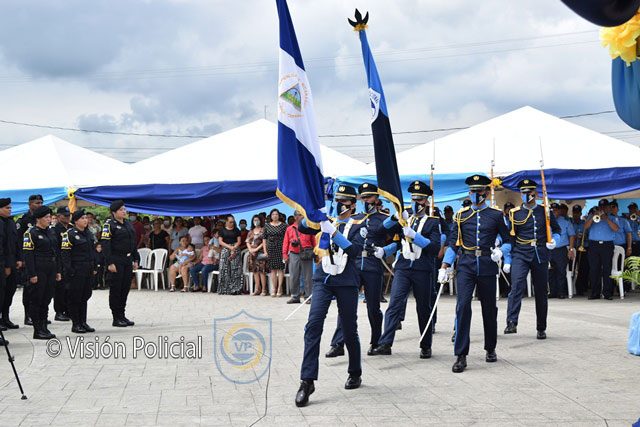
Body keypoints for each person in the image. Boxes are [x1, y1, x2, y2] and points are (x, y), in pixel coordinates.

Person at [295, 185, 363, 407]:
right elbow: (303, 227)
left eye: (345, 201)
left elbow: (354, 250)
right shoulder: (327, 219)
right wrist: (313, 213)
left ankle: (355, 371)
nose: (340, 204)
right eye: (338, 200)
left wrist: (333, 232)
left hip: (347, 280)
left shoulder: (360, 223)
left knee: (349, 329)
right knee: (313, 325)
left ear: (353, 204)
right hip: (323, 279)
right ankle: (307, 380)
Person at [440, 175, 512, 373]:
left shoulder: (495, 215)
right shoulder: (461, 215)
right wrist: (445, 265)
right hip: (466, 264)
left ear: (486, 193)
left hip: (487, 264)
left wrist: (501, 252)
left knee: (489, 308)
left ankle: (490, 347)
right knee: (463, 307)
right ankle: (461, 354)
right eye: (472, 191)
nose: (475, 194)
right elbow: (454, 243)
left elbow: (508, 240)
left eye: (479, 191)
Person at [370, 181, 442, 359]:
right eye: (413, 199)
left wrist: (415, 236)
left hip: (422, 269)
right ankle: (386, 343)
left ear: (426, 201)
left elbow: (434, 248)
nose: (416, 202)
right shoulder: (405, 219)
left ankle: (426, 345)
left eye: (419, 199)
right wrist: (394, 218)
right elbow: (384, 232)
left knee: (423, 308)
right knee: (394, 304)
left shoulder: (433, 222)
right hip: (403, 267)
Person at [326, 183, 388, 357]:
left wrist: (385, 250)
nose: (366, 200)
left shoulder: (384, 218)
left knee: (373, 308)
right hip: (354, 264)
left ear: (377, 198)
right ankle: (338, 343)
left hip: (372, 264)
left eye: (369, 197)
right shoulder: (355, 218)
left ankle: (376, 341)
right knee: (346, 306)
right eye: (363, 197)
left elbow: (398, 241)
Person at [504, 179, 561, 340]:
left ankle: (541, 327)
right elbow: (510, 238)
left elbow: (557, 230)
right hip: (521, 253)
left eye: (529, 192)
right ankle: (511, 321)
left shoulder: (545, 211)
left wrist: (554, 240)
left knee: (541, 291)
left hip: (540, 253)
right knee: (516, 286)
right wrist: (506, 257)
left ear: (535, 193)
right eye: (523, 192)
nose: (526, 195)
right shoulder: (514, 213)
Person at [101, 200, 140, 327]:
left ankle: (122, 314)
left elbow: (133, 242)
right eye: (121, 210)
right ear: (114, 212)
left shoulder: (128, 223)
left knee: (125, 288)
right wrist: (110, 262)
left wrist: (136, 259)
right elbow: (105, 245)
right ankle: (116, 317)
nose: (124, 211)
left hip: (127, 259)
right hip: (116, 260)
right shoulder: (109, 225)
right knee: (116, 289)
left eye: (124, 209)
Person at [23, 206, 60, 340]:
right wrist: (32, 274)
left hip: (51, 268)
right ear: (38, 218)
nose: (49, 219)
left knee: (46, 299)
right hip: (38, 268)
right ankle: (37, 330)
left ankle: (44, 327)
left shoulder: (50, 232)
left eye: (50, 217)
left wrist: (58, 270)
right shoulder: (30, 233)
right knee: (37, 300)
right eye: (46, 217)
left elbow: (56, 252)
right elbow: (28, 255)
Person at [61, 210, 97, 334]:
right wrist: (70, 270)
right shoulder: (69, 234)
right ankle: (76, 323)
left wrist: (94, 267)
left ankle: (83, 322)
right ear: (76, 221)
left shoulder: (88, 233)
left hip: (87, 269)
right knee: (75, 297)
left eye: (86, 218)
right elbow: (65, 255)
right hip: (76, 270)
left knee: (85, 296)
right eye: (82, 218)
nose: (85, 220)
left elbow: (92, 251)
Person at [584, 199, 619, 300]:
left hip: (607, 245)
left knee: (607, 269)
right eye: (601, 206)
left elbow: (616, 228)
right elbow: (585, 227)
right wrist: (593, 217)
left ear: (608, 207)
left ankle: (607, 293)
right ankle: (595, 293)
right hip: (594, 245)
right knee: (594, 269)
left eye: (605, 206)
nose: (603, 208)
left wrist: (606, 219)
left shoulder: (612, 218)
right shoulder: (593, 216)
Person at [17, 194, 43, 326]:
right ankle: (28, 315)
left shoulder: (43, 219)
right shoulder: (23, 220)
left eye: (41, 203)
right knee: (29, 289)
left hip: (41, 260)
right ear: (30, 204)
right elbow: (18, 241)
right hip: (28, 259)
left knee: (41, 289)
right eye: (37, 203)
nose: (39, 205)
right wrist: (21, 258)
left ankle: (40, 315)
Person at [283, 210, 316, 304]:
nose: (302, 217)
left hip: (307, 253)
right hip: (294, 253)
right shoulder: (290, 228)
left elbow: (313, 240)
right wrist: (285, 254)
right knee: (294, 276)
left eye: (303, 215)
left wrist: (316, 252)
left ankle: (308, 296)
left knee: (308, 277)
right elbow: (286, 242)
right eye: (300, 215)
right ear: (295, 217)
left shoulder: (309, 227)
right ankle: (295, 296)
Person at [0, 198, 22, 332]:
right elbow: (2, 247)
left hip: (12, 262)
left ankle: (6, 317)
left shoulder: (11, 222)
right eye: (7, 208)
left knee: (10, 291)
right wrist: (6, 265)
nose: (10, 210)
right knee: (1, 293)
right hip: (3, 264)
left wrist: (19, 258)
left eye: (10, 208)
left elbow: (16, 242)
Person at [548, 203, 576, 299]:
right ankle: (552, 292)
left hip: (561, 249)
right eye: (551, 211)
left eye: (555, 210)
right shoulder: (546, 221)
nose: (553, 212)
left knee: (561, 271)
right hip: (549, 249)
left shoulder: (565, 222)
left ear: (559, 211)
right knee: (550, 271)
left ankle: (561, 292)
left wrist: (571, 249)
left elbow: (572, 235)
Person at [52, 207, 72, 322]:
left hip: (71, 262)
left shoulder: (71, 228)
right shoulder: (55, 230)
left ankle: (68, 310)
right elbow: (56, 249)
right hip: (60, 262)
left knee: (70, 288)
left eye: (69, 215)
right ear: (58, 216)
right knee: (60, 289)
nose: (67, 217)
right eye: (65, 215)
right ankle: (59, 312)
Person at [218, 215, 243, 295]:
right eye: (230, 222)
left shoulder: (236, 230)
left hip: (235, 249)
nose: (232, 223)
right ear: (226, 222)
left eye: (233, 222)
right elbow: (220, 241)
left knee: (235, 269)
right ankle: (224, 289)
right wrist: (229, 247)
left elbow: (239, 241)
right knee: (224, 269)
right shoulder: (222, 230)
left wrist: (234, 247)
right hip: (225, 248)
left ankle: (235, 289)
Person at [264, 209, 287, 296]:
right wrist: (265, 250)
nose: (275, 216)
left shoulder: (284, 226)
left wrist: (285, 251)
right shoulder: (267, 226)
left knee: (280, 269)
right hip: (270, 249)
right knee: (272, 269)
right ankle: (274, 288)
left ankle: (279, 288)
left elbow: (286, 238)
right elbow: (264, 239)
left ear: (279, 215)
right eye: (273, 214)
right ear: (271, 216)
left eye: (276, 214)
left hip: (280, 249)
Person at [246, 215, 268, 296]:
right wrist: (250, 250)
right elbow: (247, 242)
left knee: (262, 271)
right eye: (254, 220)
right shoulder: (251, 231)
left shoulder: (263, 230)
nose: (256, 221)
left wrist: (256, 249)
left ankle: (264, 289)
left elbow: (264, 242)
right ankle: (257, 289)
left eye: (257, 220)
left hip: (260, 252)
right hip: (252, 254)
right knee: (255, 271)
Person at [570, 205, 589, 296]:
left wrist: (584, 236)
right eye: (574, 213)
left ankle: (580, 289)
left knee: (583, 269)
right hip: (572, 248)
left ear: (580, 213)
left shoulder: (584, 223)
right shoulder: (570, 223)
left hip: (583, 248)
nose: (576, 215)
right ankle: (570, 288)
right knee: (571, 269)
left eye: (577, 213)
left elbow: (589, 234)